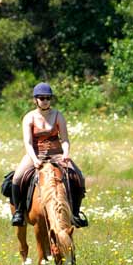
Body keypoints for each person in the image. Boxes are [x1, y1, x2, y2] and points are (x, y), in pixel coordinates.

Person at [10, 82, 88, 227]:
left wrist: (66, 153)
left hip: (57, 154)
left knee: (79, 176)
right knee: (17, 178)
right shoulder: (29, 117)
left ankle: (76, 213)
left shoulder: (58, 116)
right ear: (35, 100)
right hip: (36, 154)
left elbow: (64, 139)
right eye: (41, 98)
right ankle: (19, 212)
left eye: (48, 98)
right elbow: (27, 142)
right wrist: (34, 160)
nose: (45, 101)